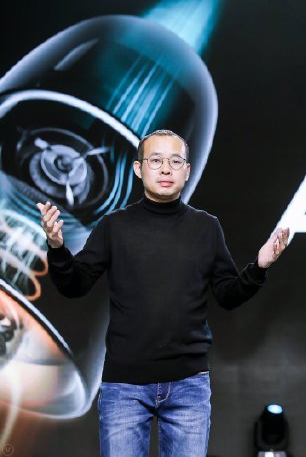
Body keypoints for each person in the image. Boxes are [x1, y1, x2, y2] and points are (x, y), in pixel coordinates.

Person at [36, 129, 289, 457]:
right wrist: (57, 247)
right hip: (124, 386)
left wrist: (259, 266)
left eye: (175, 161)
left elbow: (228, 295)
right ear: (138, 168)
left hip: (189, 386)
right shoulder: (114, 226)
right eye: (156, 160)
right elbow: (75, 285)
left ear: (187, 170)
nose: (166, 169)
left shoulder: (206, 227)